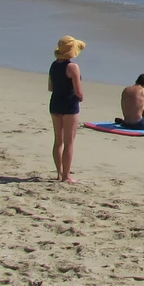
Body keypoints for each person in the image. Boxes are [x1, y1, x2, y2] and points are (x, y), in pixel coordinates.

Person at [48, 36, 86, 182]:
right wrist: (80, 98)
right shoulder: (72, 67)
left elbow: (51, 87)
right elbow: (78, 91)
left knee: (58, 141)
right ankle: (66, 176)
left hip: (55, 102)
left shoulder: (53, 65)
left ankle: (59, 173)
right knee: (69, 141)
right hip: (69, 105)